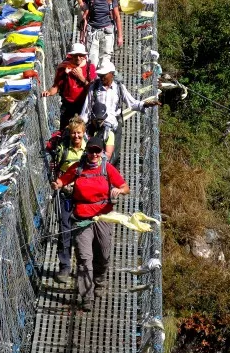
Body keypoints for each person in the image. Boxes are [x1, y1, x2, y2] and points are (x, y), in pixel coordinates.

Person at [50, 136, 130, 311]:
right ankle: (87, 296)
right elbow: (63, 179)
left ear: (102, 152)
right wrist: (58, 184)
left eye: (97, 151)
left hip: (103, 216)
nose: (94, 154)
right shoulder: (78, 168)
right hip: (81, 218)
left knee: (103, 252)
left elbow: (125, 187)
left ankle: (100, 280)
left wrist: (118, 190)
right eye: (91, 150)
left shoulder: (107, 168)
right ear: (87, 151)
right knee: (84, 258)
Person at [79, 61, 161, 165]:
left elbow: (132, 103)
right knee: (93, 153)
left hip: (114, 127)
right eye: (100, 75)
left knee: (112, 156)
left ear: (112, 74)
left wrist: (145, 104)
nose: (101, 77)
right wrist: (80, 125)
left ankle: (108, 176)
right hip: (97, 126)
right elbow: (87, 109)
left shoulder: (119, 88)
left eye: (104, 74)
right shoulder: (94, 87)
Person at [52, 118, 87, 283]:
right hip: (66, 193)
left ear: (84, 132)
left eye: (79, 132)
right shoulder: (63, 149)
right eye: (73, 132)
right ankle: (64, 266)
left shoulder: (90, 150)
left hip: (84, 195)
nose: (76, 136)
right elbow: (55, 168)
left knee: (83, 230)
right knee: (64, 229)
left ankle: (84, 267)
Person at [42, 43, 97, 131]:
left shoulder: (90, 68)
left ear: (84, 56)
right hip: (68, 106)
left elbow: (93, 90)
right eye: (75, 55)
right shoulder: (64, 68)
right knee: (65, 131)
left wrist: (81, 78)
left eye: (80, 55)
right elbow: (56, 86)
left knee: (81, 131)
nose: (78, 58)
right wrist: (49, 92)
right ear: (71, 55)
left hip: (84, 106)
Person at [78, 0, 122, 66]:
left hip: (106, 32)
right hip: (93, 32)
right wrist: (82, 36)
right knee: (92, 60)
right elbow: (86, 16)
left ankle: (103, 75)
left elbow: (117, 16)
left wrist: (120, 36)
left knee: (105, 61)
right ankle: (93, 75)